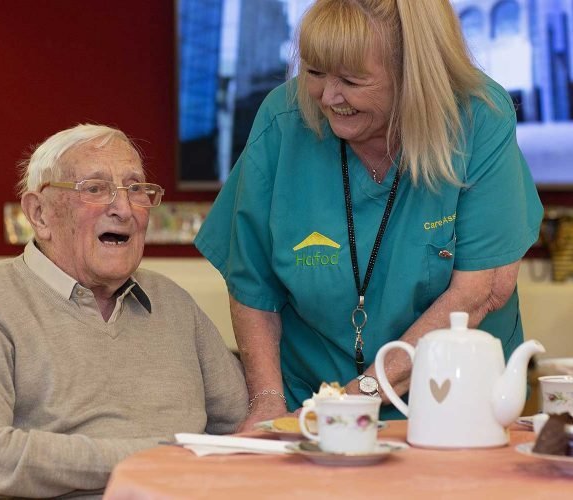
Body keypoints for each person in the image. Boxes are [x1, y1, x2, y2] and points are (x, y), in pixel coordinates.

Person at [195, 0, 543, 430]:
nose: (327, 96)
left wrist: (357, 399)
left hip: (455, 408)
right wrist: (268, 400)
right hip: (309, 404)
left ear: (413, 75)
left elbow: (481, 291)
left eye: (351, 80)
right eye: (315, 72)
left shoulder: (477, 117)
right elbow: (252, 282)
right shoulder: (284, 120)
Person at [0, 124, 247, 498]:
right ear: (40, 214)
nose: (124, 209)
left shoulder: (173, 302)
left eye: (136, 189)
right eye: (95, 189)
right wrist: (154, 458)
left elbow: (242, 428)